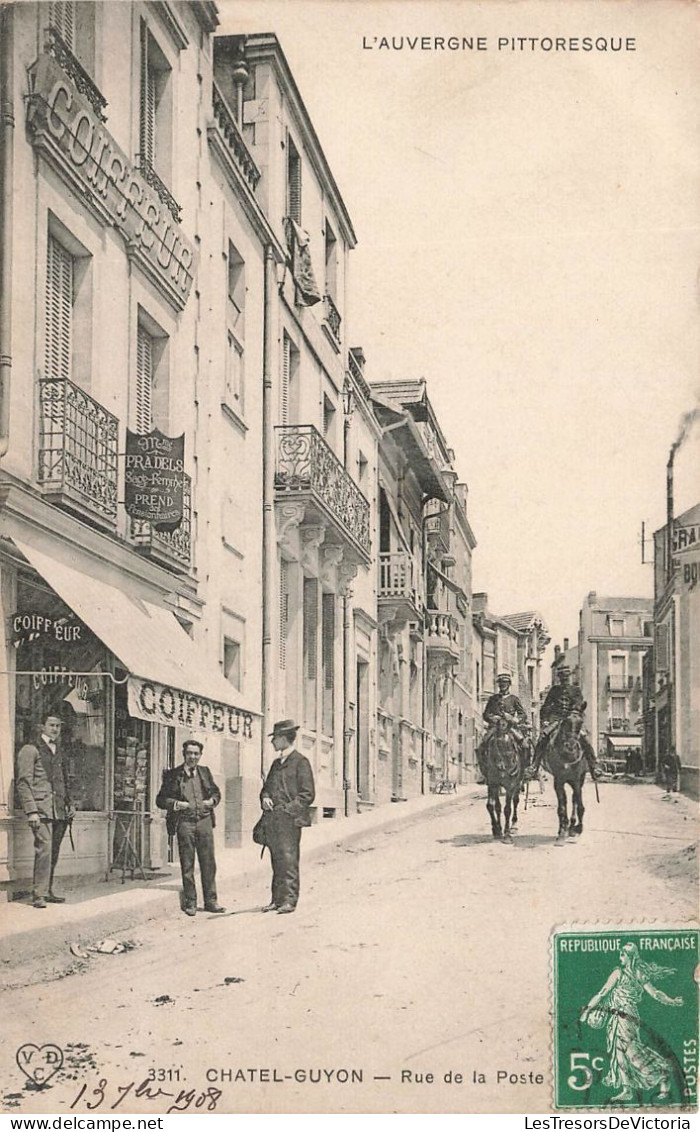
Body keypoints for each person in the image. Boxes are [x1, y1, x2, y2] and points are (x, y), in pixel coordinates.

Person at [580, 942, 683, 1103]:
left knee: (630, 1050)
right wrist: (672, 1001)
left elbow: (603, 993)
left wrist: (587, 1010)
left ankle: (661, 1073)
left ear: (630, 957)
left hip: (626, 1016)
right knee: (619, 1052)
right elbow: (604, 993)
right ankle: (627, 1089)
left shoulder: (622, 973)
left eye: (622, 954)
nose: (620, 957)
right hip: (619, 1016)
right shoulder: (633, 973)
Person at [156, 739, 225, 917]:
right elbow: (160, 800)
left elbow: (216, 793)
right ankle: (191, 902)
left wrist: (212, 801)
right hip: (184, 823)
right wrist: (177, 804)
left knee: (208, 862)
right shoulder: (173, 775)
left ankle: (211, 901)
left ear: (200, 755)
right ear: (184, 754)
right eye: (189, 753)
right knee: (187, 863)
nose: (192, 757)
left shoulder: (205, 772)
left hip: (204, 821)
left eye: (196, 754)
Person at [16, 713, 74, 909]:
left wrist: (70, 803)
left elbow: (64, 780)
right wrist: (31, 810)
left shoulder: (59, 750)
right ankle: (38, 894)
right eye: (51, 725)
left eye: (58, 725)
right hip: (41, 809)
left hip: (58, 809)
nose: (55, 729)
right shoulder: (30, 749)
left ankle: (47, 890)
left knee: (53, 852)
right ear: (42, 727)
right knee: (45, 850)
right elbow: (23, 783)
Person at [259, 719, 315, 914]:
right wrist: (265, 798)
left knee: (289, 860)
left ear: (284, 739)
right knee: (276, 860)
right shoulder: (276, 764)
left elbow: (307, 795)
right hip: (274, 820)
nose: (273, 742)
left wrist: (287, 809)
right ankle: (276, 899)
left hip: (290, 821)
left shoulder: (301, 762)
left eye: (275, 738)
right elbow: (266, 789)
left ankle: (289, 900)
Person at [532, 666, 599, 778]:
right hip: (556, 720)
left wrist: (574, 712)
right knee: (543, 738)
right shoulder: (554, 690)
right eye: (562, 677)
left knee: (585, 740)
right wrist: (545, 720)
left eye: (566, 677)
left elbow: (579, 704)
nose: (564, 679)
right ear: (559, 678)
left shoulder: (576, 690)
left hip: (571, 720)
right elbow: (546, 706)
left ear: (569, 677)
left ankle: (594, 767)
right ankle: (534, 766)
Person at [478, 673, 528, 777]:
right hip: (495, 727)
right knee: (482, 745)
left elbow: (522, 714)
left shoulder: (514, 699)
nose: (503, 685)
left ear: (509, 684)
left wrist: (515, 719)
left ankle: (524, 771)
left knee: (524, 745)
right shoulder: (493, 699)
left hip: (510, 728)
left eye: (505, 683)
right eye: (501, 683)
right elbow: (486, 714)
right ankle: (485, 771)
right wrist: (492, 718)